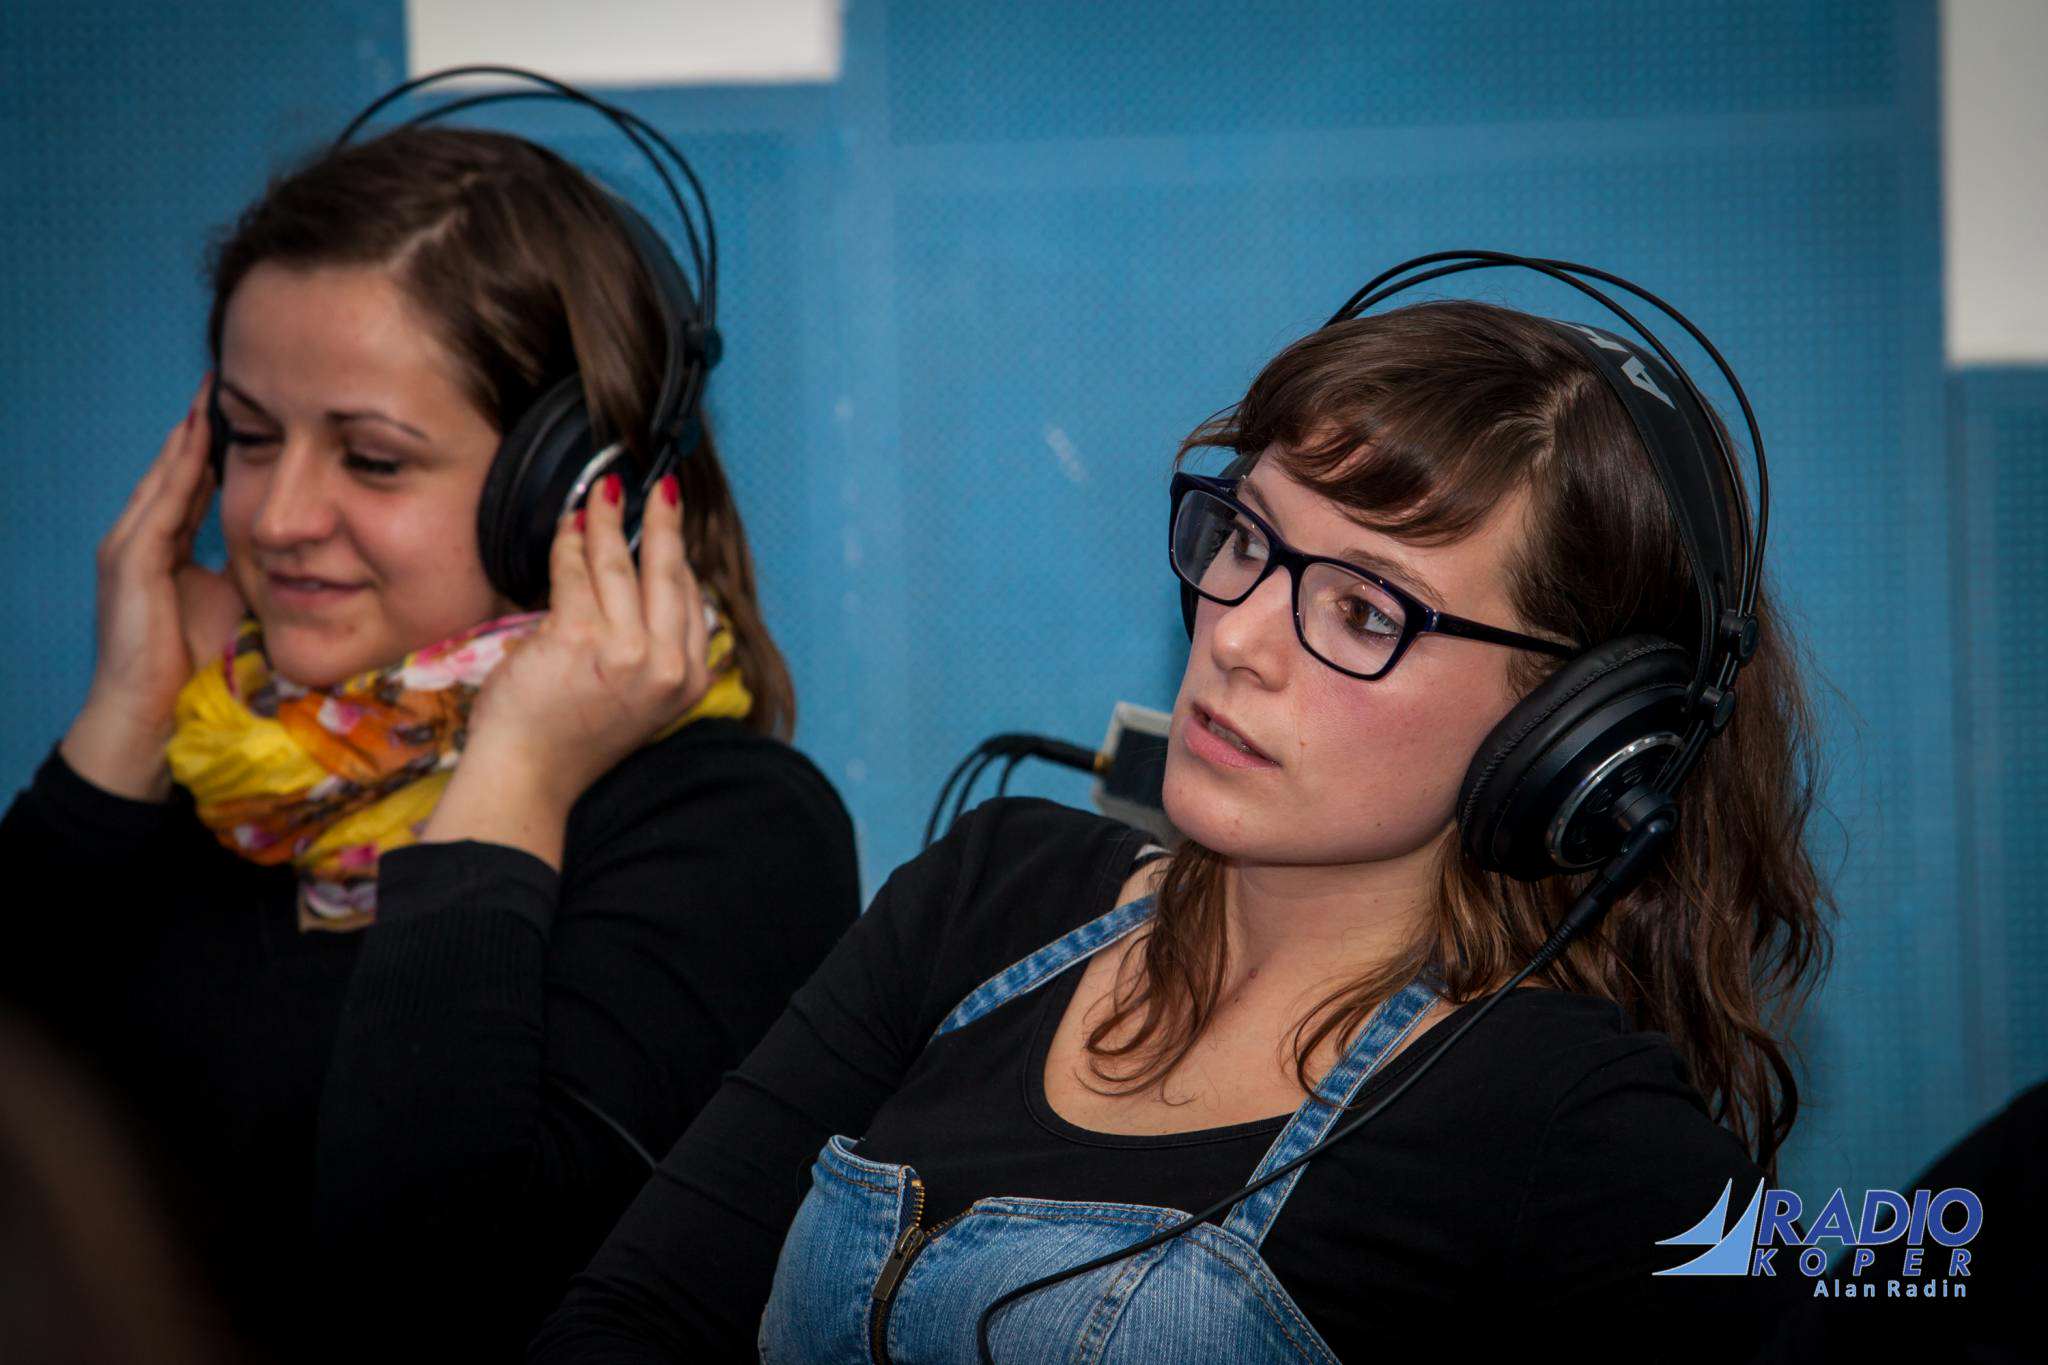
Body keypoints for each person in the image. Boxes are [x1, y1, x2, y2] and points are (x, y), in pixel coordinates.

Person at [531, 293, 1835, 1363]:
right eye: (1247, 541)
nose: (1239, 635)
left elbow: (1859, 1275)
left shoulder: (1566, 1121)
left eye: (1365, 611)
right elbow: (629, 1321)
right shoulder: (991, 892)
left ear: (1569, 730)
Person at [0, 121, 861, 1360]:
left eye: (372, 459)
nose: (278, 516)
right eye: (250, 437)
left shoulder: (732, 835)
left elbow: (441, 1292)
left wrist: (511, 776)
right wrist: (122, 728)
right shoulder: (208, 783)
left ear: (570, 491)